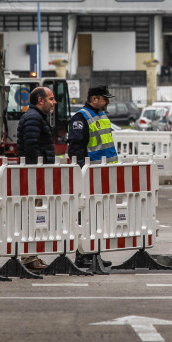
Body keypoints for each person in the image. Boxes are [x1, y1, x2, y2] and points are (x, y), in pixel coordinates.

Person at [67, 85, 118, 269]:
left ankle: (94, 253)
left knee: (98, 219)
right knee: (86, 218)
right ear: (94, 99)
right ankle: (82, 255)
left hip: (102, 176)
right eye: (105, 99)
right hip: (90, 176)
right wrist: (82, 174)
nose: (108, 102)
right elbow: (75, 149)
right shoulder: (81, 118)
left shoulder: (102, 116)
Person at [16, 86, 57, 271]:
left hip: (35, 174)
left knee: (32, 215)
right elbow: (31, 147)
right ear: (40, 100)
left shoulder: (35, 117)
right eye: (51, 98)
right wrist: (37, 173)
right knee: (30, 215)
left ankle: (31, 256)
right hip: (33, 175)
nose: (54, 102)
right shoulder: (33, 118)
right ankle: (28, 258)